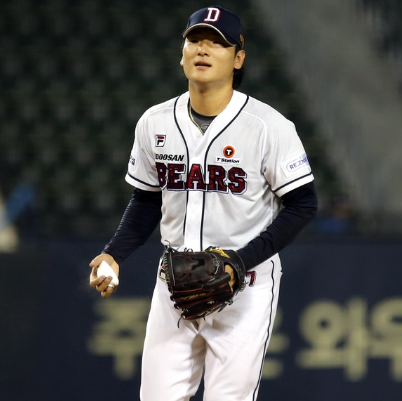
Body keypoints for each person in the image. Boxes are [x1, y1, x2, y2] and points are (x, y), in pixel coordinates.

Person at [89, 6, 317, 400]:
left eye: (217, 42)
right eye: (195, 39)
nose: (203, 49)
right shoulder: (155, 122)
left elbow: (303, 205)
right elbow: (146, 200)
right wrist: (114, 253)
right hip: (174, 284)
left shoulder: (268, 127)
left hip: (245, 287)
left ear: (238, 59)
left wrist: (241, 261)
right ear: (182, 53)